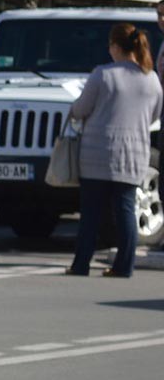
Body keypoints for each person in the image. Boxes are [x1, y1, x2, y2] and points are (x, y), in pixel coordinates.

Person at [65, 23, 163, 278]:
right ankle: (124, 266)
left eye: (110, 45)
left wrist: (74, 111)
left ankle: (81, 264)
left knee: (91, 213)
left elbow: (81, 108)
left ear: (117, 47)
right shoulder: (151, 79)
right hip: (134, 155)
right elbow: (155, 114)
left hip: (98, 153)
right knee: (125, 209)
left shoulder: (103, 74)